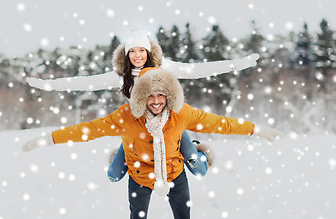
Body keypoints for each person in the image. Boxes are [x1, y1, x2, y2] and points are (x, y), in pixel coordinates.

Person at [22, 67, 283, 219]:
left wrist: (257, 130)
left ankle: (194, 150)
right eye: (150, 96)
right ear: (140, 98)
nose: (156, 101)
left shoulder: (183, 114)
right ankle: (123, 153)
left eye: (161, 95)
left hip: (175, 174)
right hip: (139, 175)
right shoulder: (126, 117)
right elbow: (88, 130)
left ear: (169, 96)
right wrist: (48, 139)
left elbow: (221, 123)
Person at [26, 28, 260, 183]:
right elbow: (86, 83)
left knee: (199, 170)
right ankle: (132, 155)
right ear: (126, 54)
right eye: (132, 51)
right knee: (113, 175)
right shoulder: (121, 75)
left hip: (170, 127)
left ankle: (194, 147)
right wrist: (50, 86)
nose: (137, 55)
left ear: (148, 51)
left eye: (141, 50)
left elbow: (199, 70)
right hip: (138, 130)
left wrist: (237, 64)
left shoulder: (165, 68)